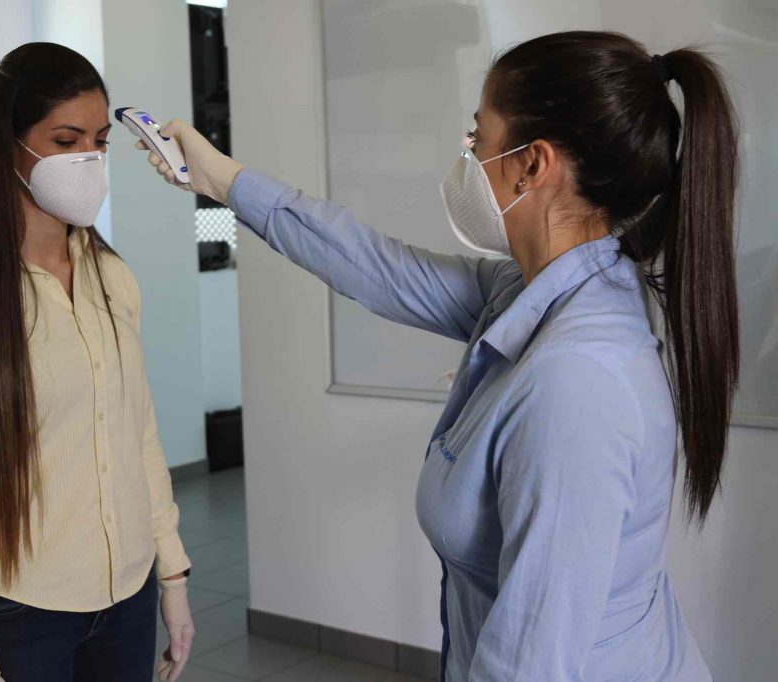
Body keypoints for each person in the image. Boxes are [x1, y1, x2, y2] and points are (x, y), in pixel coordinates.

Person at [140, 31, 738, 681]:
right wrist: (222, 179)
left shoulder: (576, 381)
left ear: (533, 164)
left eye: (477, 136)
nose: (468, 153)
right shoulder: (539, 289)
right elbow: (378, 267)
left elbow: (531, 663)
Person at [0, 42, 195, 682]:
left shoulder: (112, 278)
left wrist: (170, 575)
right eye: (65, 141)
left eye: (98, 141)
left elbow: (137, 434)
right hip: (22, 614)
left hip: (129, 599)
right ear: (9, 146)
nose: (87, 160)